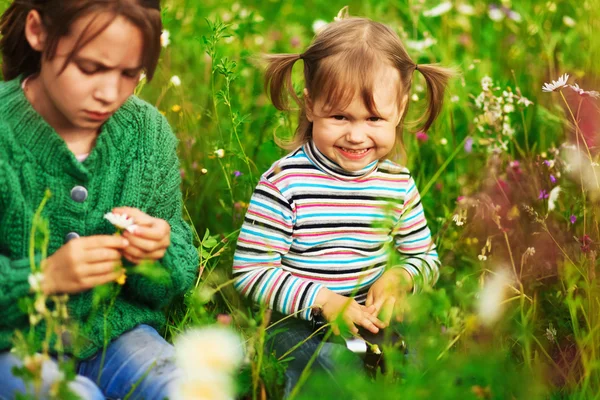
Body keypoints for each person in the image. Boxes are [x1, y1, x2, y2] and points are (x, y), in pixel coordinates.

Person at [232, 16, 451, 396]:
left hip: (370, 318)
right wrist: (323, 302)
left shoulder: (397, 184)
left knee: (419, 360)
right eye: (339, 116)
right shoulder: (286, 183)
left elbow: (426, 259)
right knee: (330, 372)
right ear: (310, 105)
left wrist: (400, 278)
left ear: (398, 111)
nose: (355, 134)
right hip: (300, 323)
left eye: (374, 118)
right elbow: (251, 271)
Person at [0, 0, 198, 398]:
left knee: (182, 387)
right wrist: (41, 278)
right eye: (89, 68)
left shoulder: (146, 133)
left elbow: (177, 272)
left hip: (116, 331)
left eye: (130, 73)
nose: (109, 93)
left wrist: (157, 252)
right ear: (37, 32)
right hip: (13, 342)